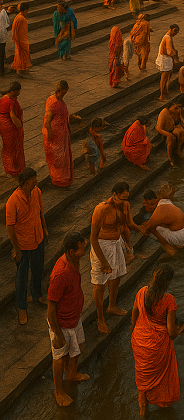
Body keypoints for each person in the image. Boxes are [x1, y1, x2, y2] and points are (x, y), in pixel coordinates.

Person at [131, 265, 184, 416]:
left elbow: (135, 312)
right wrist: (181, 329)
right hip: (157, 345)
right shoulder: (168, 300)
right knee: (161, 375)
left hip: (139, 340)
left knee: (142, 374)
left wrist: (133, 330)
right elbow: (171, 332)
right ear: (167, 282)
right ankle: (162, 403)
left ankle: (143, 406)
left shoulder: (142, 292)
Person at [47, 231, 89, 406]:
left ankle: (71, 374)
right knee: (60, 357)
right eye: (81, 248)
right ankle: (58, 391)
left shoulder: (75, 261)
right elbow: (50, 309)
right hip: (62, 322)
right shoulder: (60, 274)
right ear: (71, 251)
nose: (85, 250)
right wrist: (58, 334)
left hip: (75, 316)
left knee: (79, 345)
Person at [91, 181, 139, 334]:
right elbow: (93, 238)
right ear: (114, 195)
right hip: (102, 245)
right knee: (99, 285)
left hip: (117, 243)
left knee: (116, 276)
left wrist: (129, 245)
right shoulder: (101, 209)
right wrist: (103, 261)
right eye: (122, 198)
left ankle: (111, 306)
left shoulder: (125, 206)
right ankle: (100, 319)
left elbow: (128, 225)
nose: (124, 202)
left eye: (126, 198)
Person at [7, 167, 48, 325]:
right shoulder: (13, 201)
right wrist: (16, 248)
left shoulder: (36, 191)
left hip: (38, 238)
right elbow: (10, 227)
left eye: (36, 181)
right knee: (21, 277)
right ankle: (21, 307)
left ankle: (37, 294)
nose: (36, 184)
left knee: (38, 269)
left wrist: (44, 228)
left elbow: (40, 211)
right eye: (33, 182)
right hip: (23, 244)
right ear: (24, 184)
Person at [43, 80, 81, 187]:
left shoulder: (56, 100)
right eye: (64, 92)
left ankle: (63, 177)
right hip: (55, 133)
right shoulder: (53, 102)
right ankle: (58, 179)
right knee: (57, 157)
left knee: (63, 157)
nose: (65, 94)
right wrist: (50, 134)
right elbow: (48, 121)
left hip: (62, 133)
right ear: (61, 91)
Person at [142, 183, 184, 255]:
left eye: (148, 203)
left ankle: (169, 248)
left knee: (154, 228)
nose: (146, 206)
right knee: (158, 224)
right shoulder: (167, 202)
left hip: (181, 238)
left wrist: (142, 227)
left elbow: (147, 227)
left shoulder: (160, 209)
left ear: (156, 200)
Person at [0, 81, 25, 177]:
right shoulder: (11, 102)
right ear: (13, 91)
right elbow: (13, 117)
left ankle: (9, 167)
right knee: (13, 148)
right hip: (10, 128)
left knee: (7, 147)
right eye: (18, 91)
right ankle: (14, 168)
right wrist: (20, 126)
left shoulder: (3, 99)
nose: (19, 93)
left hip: (3, 127)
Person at [155, 24, 179, 100]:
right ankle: (162, 95)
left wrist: (175, 52)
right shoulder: (167, 38)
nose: (176, 34)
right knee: (164, 78)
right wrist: (174, 56)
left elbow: (173, 48)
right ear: (173, 30)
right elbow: (169, 52)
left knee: (167, 76)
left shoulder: (169, 37)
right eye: (176, 32)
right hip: (164, 59)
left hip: (166, 59)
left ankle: (165, 92)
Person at [12, 3, 32, 74]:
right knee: (21, 55)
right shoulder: (21, 18)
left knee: (20, 55)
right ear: (25, 10)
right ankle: (20, 70)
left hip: (21, 39)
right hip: (21, 40)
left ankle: (23, 69)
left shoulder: (18, 17)